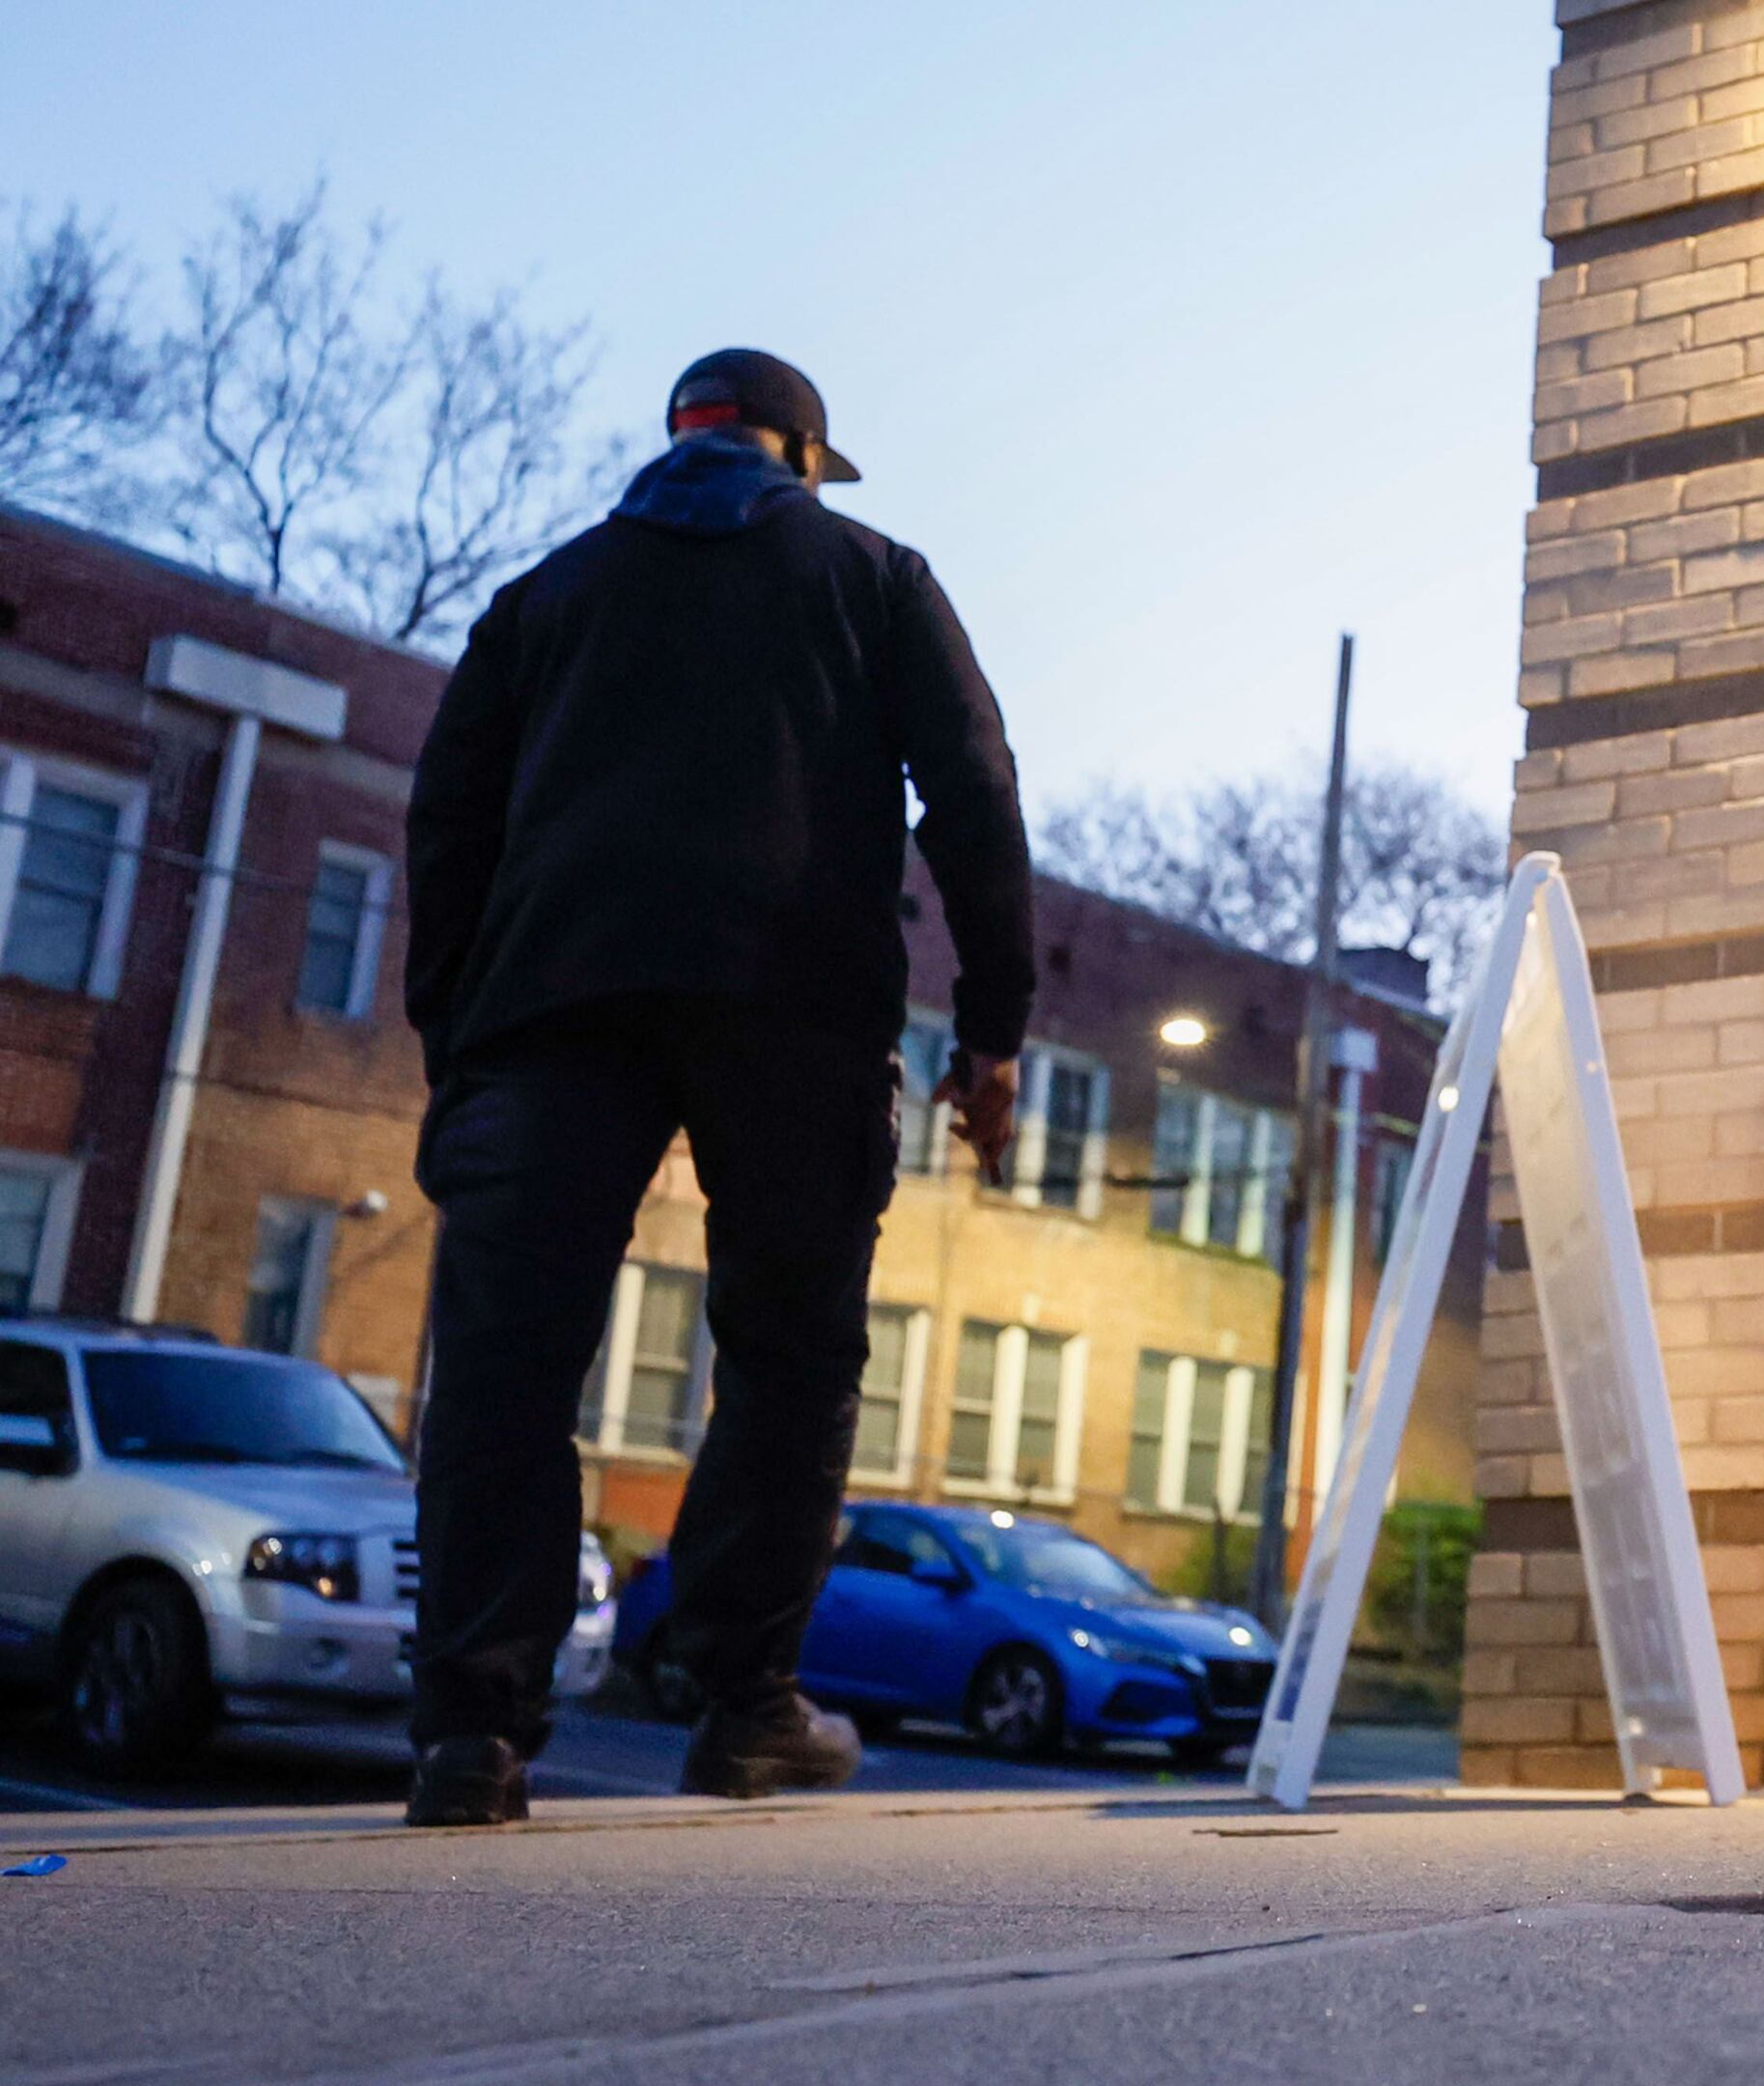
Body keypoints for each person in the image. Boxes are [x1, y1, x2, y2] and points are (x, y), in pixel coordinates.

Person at [399, 349, 1034, 1826]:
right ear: (800, 456)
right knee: (789, 1355)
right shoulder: (873, 576)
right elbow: (977, 790)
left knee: (505, 1367)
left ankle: (470, 1739)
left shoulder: (542, 600)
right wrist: (991, 1031)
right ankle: (748, 1711)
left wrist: (461, 1042)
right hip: (796, 1011)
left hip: (554, 1011)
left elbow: (445, 822)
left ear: (680, 442)